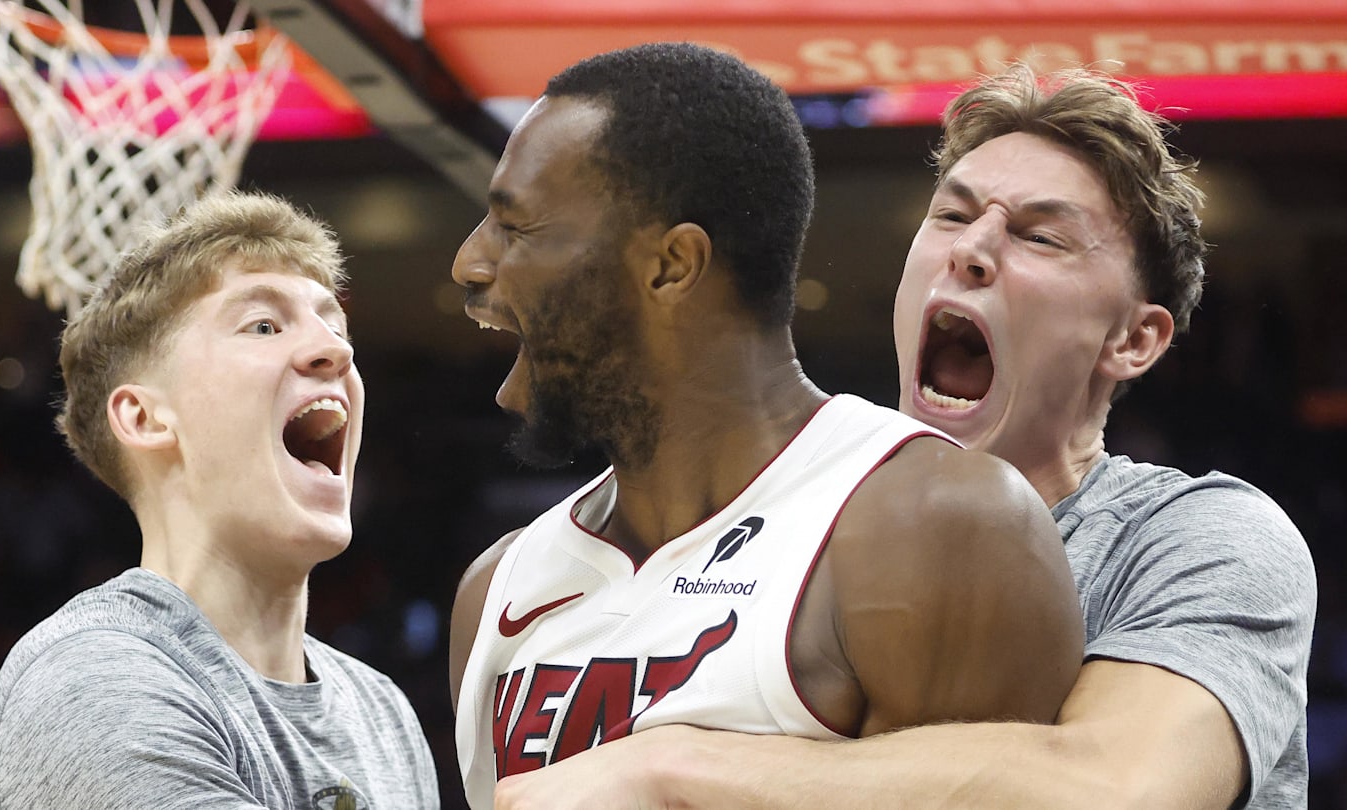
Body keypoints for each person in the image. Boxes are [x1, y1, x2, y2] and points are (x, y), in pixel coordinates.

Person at [481, 64, 1317, 810]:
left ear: (1132, 341)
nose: (974, 250)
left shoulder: (1201, 538)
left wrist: (667, 770)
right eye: (951, 217)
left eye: (1038, 235)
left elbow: (1115, 790)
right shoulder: (778, 517)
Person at [447, 43, 1086, 810]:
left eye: (515, 230)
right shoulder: (495, 591)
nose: (469, 264)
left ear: (672, 266)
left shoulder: (935, 525)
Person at [0, 190, 440, 809]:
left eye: (336, 326)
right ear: (145, 417)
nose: (338, 351)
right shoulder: (98, 678)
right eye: (263, 325)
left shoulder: (383, 711)